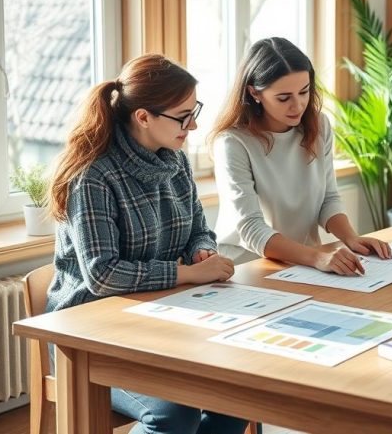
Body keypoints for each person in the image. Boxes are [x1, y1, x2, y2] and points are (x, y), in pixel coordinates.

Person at [46, 54, 247, 434]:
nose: (195, 124)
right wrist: (186, 272)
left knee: (236, 394)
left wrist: (200, 251)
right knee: (174, 413)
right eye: (184, 116)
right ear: (143, 117)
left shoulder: (176, 162)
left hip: (158, 318)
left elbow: (198, 230)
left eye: (195, 111)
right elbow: (102, 276)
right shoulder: (93, 177)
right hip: (88, 336)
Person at [207, 36, 391, 276]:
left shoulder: (319, 126)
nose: (298, 105)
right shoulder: (233, 142)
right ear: (254, 93)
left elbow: (328, 198)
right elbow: (251, 229)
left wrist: (352, 238)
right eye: (284, 98)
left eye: (304, 91)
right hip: (247, 268)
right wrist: (317, 257)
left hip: (304, 264)